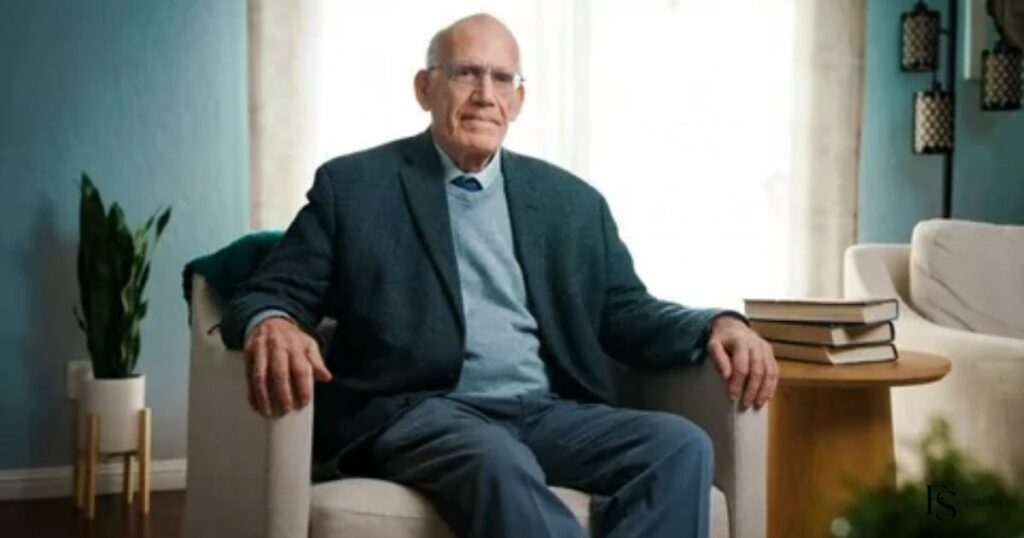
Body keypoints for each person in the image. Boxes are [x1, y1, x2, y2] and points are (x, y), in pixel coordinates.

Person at [221, 13, 777, 538]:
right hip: (419, 411)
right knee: (496, 460)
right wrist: (273, 321)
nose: (485, 94)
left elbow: (626, 311)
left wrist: (717, 324)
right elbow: (271, 290)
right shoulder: (355, 187)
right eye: (466, 72)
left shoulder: (572, 203)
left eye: (502, 78)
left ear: (518, 99)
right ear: (424, 88)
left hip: (546, 411)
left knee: (680, 445)